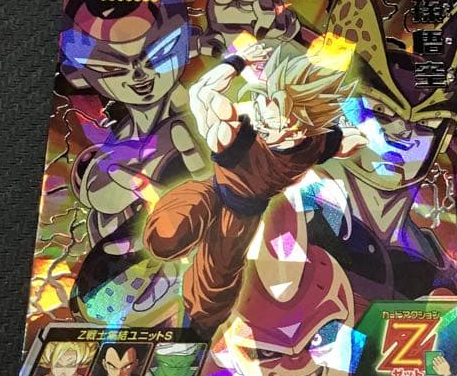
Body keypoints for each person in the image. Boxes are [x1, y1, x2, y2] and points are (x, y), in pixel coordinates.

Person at [143, 42, 364, 335]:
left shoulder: (317, 143)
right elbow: (200, 93)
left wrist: (361, 133)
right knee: (167, 234)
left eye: (272, 121)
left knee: (214, 288)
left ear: (299, 128)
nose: (262, 119)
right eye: (262, 106)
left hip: (241, 219)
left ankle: (196, 332)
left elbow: (351, 142)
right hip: (211, 192)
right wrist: (238, 61)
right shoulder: (238, 133)